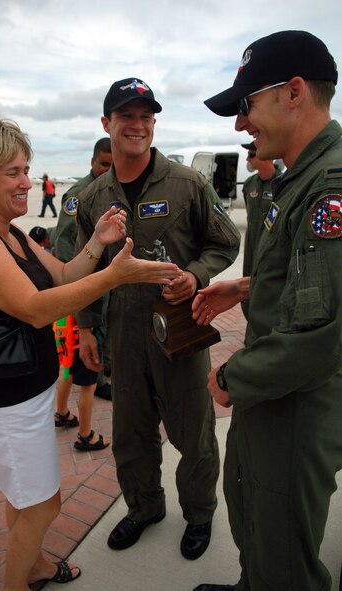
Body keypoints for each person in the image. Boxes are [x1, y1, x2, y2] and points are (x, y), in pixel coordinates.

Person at [0, 95, 183, 591]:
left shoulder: (9, 233)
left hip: (26, 395)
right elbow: (38, 307)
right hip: (7, 404)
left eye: (26, 169)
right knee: (44, 505)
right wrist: (115, 277)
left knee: (23, 497)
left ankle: (33, 566)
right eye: (13, 172)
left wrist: (96, 244)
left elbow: (61, 275)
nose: (26, 182)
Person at [192, 30, 342, 591]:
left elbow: (319, 334)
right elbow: (300, 280)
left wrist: (234, 375)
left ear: (294, 92)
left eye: (247, 104)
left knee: (284, 550)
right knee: (252, 505)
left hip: (295, 401)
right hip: (273, 392)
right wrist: (246, 287)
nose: (239, 125)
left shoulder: (329, 186)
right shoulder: (299, 180)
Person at [75, 77, 241, 560]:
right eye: (127, 116)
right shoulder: (91, 198)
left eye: (147, 117)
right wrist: (86, 326)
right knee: (130, 431)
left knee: (194, 431)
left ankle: (199, 513)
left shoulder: (187, 184)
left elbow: (225, 243)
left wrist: (195, 274)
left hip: (179, 330)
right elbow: (83, 265)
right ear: (107, 124)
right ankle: (144, 508)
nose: (138, 125)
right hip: (123, 335)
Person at [54, 138, 114, 452]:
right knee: (85, 348)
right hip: (84, 287)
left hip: (104, 285)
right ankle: (94, 385)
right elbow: (64, 243)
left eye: (112, 164)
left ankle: (98, 378)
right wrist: (75, 287)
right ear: (92, 162)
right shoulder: (79, 194)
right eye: (104, 164)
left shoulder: (113, 189)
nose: (108, 170)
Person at [240, 141, 282, 319]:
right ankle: (251, 329)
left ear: (266, 157)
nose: (248, 159)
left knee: (268, 290)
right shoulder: (250, 184)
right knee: (246, 289)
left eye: (251, 155)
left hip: (271, 247)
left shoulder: (282, 184)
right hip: (251, 245)